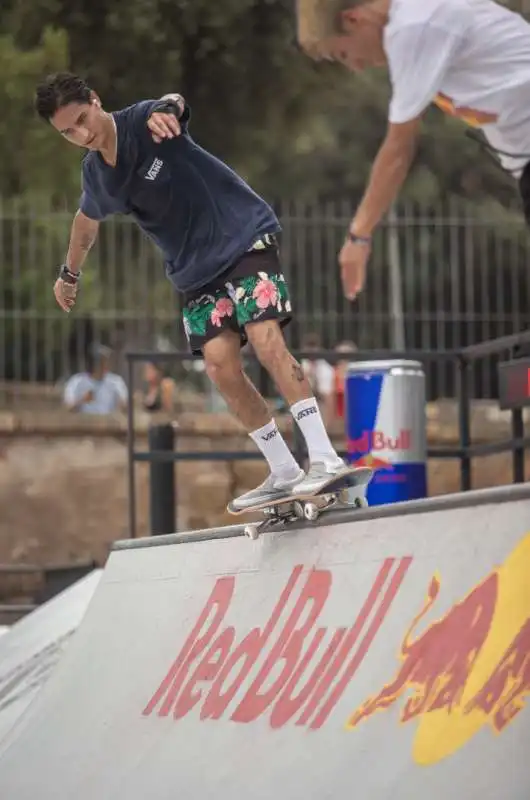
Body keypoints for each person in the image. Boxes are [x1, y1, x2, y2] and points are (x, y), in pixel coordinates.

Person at [34, 72, 348, 510]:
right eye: (68, 132)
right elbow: (85, 222)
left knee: (264, 338)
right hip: (194, 270)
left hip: (241, 236)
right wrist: (69, 274)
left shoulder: (144, 121)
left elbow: (173, 102)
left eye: (83, 119)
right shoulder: (97, 176)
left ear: (96, 100)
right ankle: (283, 469)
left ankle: (326, 457)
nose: (82, 134)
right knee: (220, 366)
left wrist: (168, 109)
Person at [296, 0, 530, 299]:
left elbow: (398, 148)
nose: (356, 65)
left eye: (344, 53)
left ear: (353, 19)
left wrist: (359, 235)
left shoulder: (414, 25)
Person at [63, 343, 128, 414]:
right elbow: (68, 408)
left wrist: (123, 404)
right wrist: (82, 400)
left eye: (107, 361)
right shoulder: (76, 381)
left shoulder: (116, 381)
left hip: (109, 423)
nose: (107, 364)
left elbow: (124, 404)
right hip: (83, 423)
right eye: (102, 361)